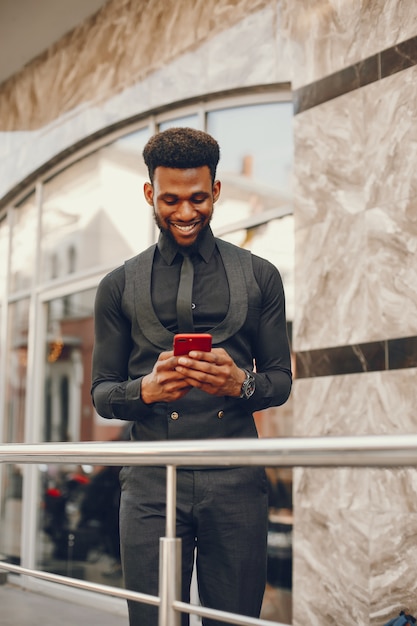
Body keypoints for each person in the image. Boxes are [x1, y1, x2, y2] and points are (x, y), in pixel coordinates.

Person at [91, 127, 292, 626]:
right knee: (153, 619)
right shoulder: (117, 285)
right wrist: (144, 390)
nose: (185, 213)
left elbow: (280, 380)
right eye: (171, 199)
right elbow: (101, 393)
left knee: (234, 620)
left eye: (199, 198)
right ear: (150, 194)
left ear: (217, 192)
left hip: (236, 479)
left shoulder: (261, 275)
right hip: (150, 483)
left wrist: (238, 384)